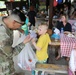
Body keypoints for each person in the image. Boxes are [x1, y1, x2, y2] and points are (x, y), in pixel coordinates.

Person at [0, 9, 31, 74]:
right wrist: (24, 42)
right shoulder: (3, 36)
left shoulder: (4, 19)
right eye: (20, 25)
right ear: (14, 22)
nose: (21, 27)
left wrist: (19, 29)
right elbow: (11, 54)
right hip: (3, 65)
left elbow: (13, 25)